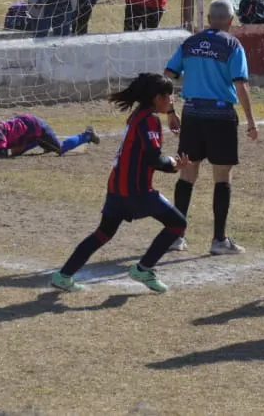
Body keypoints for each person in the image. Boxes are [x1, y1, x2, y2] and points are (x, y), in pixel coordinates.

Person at [51, 73, 192, 293]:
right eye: (169, 96)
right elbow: (153, 158)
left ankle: (64, 275)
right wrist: (173, 163)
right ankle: (143, 269)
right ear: (157, 97)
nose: (172, 100)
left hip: (117, 186)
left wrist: (170, 165)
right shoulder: (149, 120)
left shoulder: (139, 115)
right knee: (177, 224)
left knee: (103, 233)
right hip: (136, 191)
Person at [164, 0, 259, 255]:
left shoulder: (189, 43)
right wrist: (251, 121)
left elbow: (168, 76)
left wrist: (170, 111)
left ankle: (176, 236)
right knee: (222, 177)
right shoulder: (232, 45)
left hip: (192, 114)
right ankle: (219, 240)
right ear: (231, 20)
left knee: (187, 175)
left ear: (208, 19)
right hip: (220, 116)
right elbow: (241, 85)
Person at [0, 112, 100, 159]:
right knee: (15, 153)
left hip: (36, 127)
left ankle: (86, 135)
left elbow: (2, 155)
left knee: (59, 149)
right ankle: (34, 142)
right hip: (25, 129)